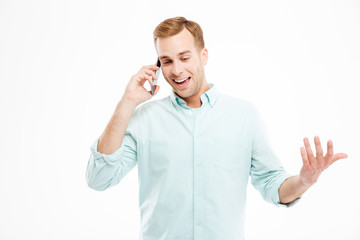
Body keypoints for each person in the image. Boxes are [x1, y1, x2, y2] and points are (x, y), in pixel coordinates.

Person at [86, 16, 348, 240]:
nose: (176, 70)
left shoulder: (244, 115)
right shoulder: (145, 118)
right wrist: (127, 102)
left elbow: (273, 185)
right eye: (166, 61)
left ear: (203, 56)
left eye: (184, 57)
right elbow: (99, 180)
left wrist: (303, 181)